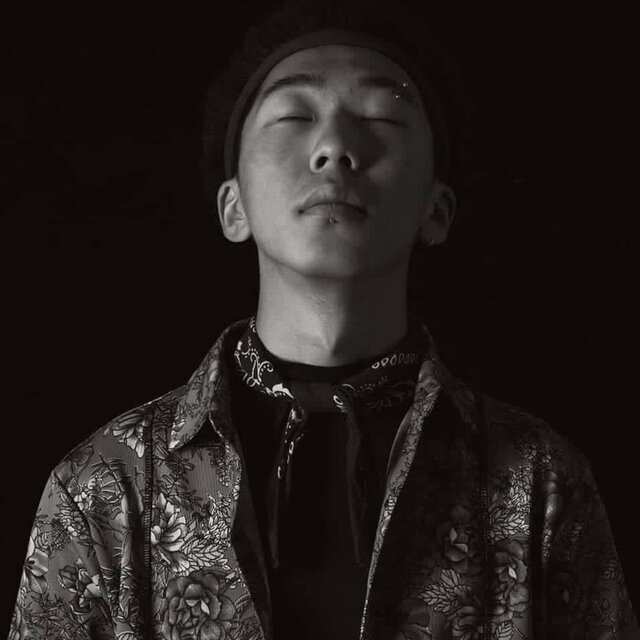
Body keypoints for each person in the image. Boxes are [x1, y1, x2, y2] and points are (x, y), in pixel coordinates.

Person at [9, 1, 639, 638]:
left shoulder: (538, 481)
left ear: (436, 209)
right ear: (234, 207)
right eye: (293, 116)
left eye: (381, 117)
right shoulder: (105, 486)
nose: (335, 147)